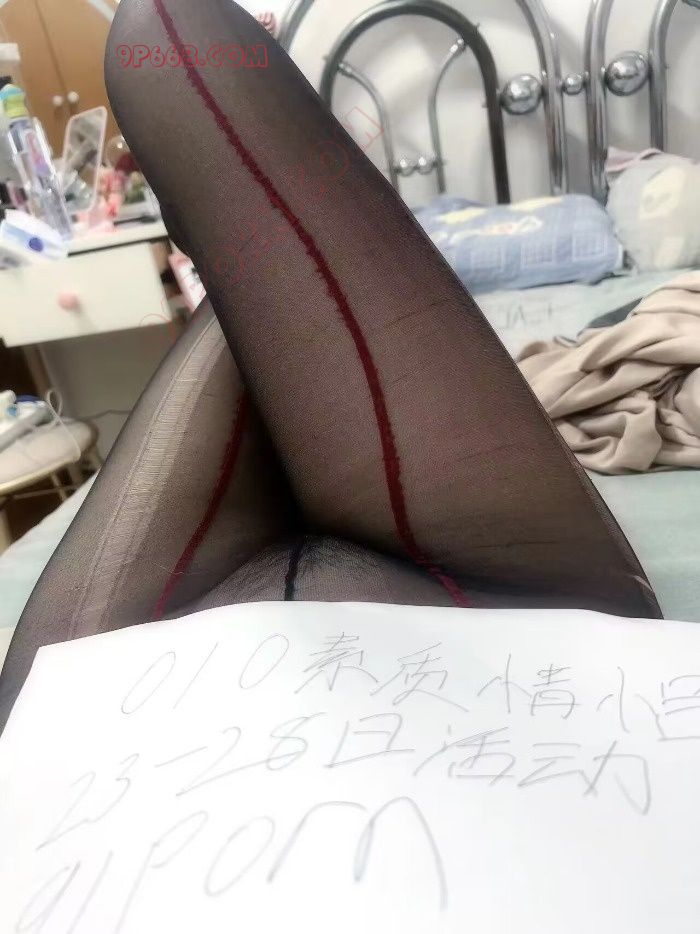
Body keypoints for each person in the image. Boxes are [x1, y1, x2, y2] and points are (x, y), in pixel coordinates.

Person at [0, 0, 659, 733]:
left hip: (96, 735)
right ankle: (276, 232)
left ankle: (257, 244)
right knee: (167, 28)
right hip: (540, 641)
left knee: (164, 29)